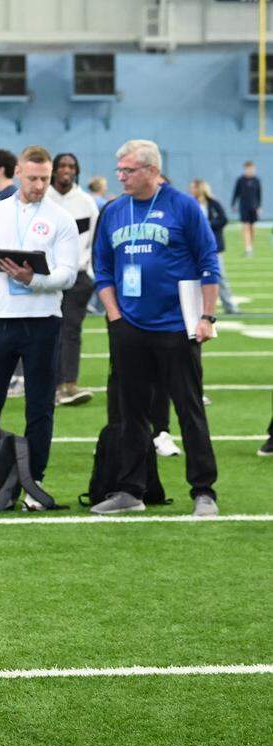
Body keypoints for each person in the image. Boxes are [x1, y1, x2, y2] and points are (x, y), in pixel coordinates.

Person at [91, 139, 221, 516]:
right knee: (129, 412)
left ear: (151, 170)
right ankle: (132, 490)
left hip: (176, 327)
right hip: (129, 326)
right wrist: (114, 314)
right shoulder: (114, 211)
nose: (121, 177)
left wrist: (206, 317)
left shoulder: (183, 206)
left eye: (128, 171)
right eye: (119, 170)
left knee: (189, 408)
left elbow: (207, 261)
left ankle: (203, 490)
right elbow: (102, 268)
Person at [0, 145, 80, 508]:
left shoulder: (61, 218)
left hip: (43, 322)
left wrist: (33, 279)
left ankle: (35, 484)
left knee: (40, 406)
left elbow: (69, 274)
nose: (40, 185)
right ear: (18, 175)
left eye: (45, 179)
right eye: (33, 178)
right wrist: (0, 262)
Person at [45, 152, 99, 407]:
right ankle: (51, 385)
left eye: (71, 166)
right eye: (62, 165)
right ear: (54, 170)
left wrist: (89, 272)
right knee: (48, 331)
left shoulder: (86, 202)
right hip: (47, 277)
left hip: (78, 277)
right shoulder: (44, 198)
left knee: (71, 331)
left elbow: (95, 240)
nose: (67, 170)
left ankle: (69, 384)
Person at [191, 179, 238, 314]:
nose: (191, 190)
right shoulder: (190, 203)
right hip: (195, 246)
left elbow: (223, 219)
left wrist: (209, 225)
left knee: (220, 276)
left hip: (213, 246)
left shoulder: (213, 203)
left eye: (193, 187)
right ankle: (197, 308)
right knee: (194, 277)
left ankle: (229, 306)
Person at [231, 161, 261, 256]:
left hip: (254, 207)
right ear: (245, 169)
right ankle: (248, 248)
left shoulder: (256, 180)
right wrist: (233, 204)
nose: (250, 170)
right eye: (248, 169)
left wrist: (259, 206)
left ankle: (251, 246)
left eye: (252, 169)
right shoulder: (240, 180)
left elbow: (259, 194)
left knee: (252, 228)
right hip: (243, 206)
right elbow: (236, 193)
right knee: (245, 227)